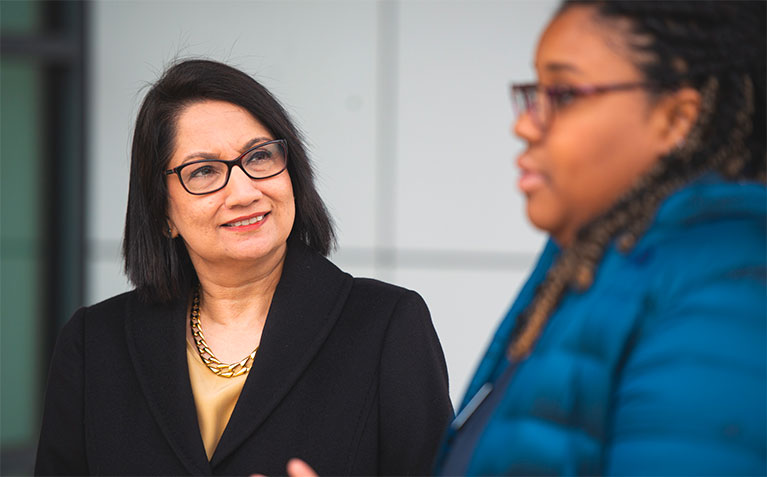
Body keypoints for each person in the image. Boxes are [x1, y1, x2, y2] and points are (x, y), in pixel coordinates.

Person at [34, 59, 453, 476]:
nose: (243, 191)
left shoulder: (386, 325)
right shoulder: (94, 343)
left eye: (259, 156)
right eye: (203, 171)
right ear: (162, 211)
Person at [431, 1, 765, 475]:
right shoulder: (584, 267)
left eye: (563, 94)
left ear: (676, 119)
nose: (524, 124)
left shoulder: (728, 289)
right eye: (535, 92)